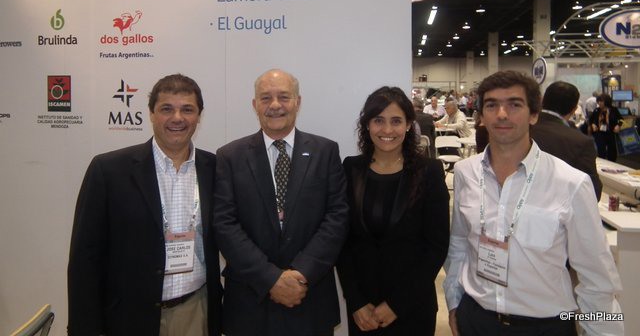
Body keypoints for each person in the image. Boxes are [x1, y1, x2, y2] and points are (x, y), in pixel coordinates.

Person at [444, 70, 623, 336]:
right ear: (481, 115)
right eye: (492, 105)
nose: (502, 114)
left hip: (544, 325)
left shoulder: (571, 183)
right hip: (475, 318)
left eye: (514, 105)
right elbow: (459, 244)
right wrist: (454, 302)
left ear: (534, 115)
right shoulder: (465, 172)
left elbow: (597, 278)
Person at [68, 74, 222, 336]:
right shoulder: (109, 171)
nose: (177, 118)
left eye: (187, 109)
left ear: (199, 116)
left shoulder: (215, 169)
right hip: (129, 318)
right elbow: (85, 259)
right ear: (151, 114)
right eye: (166, 109)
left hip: (196, 312)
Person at [213, 69, 349, 336]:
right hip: (250, 300)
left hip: (309, 296)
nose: (275, 105)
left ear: (298, 101)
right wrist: (270, 279)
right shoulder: (230, 156)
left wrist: (300, 273)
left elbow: (337, 216)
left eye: (284, 97)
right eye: (266, 98)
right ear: (255, 104)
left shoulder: (325, 151)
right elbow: (224, 224)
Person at [337, 87, 449, 335]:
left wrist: (397, 305)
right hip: (363, 310)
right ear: (367, 124)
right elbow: (343, 242)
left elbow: (437, 246)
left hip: (412, 307)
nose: (387, 130)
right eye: (379, 120)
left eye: (396, 121)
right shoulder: (351, 169)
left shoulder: (429, 171)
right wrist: (355, 301)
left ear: (408, 125)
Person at [530, 81, 602, 200]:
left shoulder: (521, 130)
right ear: (574, 109)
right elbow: (592, 192)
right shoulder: (581, 142)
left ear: (542, 101)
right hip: (558, 206)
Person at [589, 93, 624, 162]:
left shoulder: (613, 110)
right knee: (601, 151)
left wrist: (618, 125)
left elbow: (621, 119)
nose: (599, 103)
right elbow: (590, 120)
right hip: (599, 133)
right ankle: (602, 163)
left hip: (610, 132)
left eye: (601, 101)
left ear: (606, 101)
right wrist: (593, 124)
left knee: (612, 153)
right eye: (598, 101)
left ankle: (612, 164)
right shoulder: (597, 110)